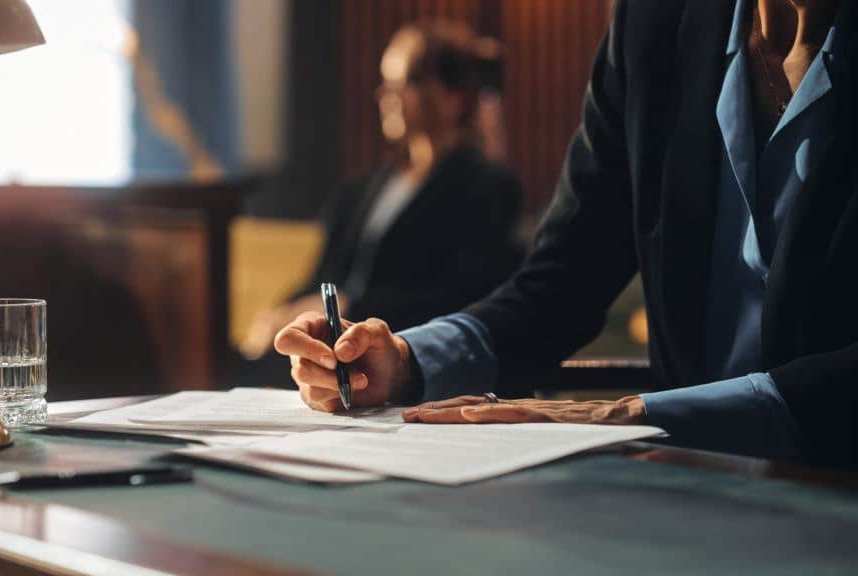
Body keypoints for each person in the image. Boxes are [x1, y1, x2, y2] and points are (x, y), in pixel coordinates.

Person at [275, 0, 857, 467]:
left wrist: (627, 415)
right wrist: (406, 361)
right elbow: (562, 280)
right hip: (683, 488)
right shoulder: (652, 21)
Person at [239, 22, 523, 366]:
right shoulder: (360, 191)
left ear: (455, 98)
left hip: (401, 354)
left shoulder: (487, 187)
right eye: (387, 82)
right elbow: (321, 277)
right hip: (332, 345)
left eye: (409, 82)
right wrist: (283, 313)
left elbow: (459, 295)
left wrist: (350, 307)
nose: (387, 94)